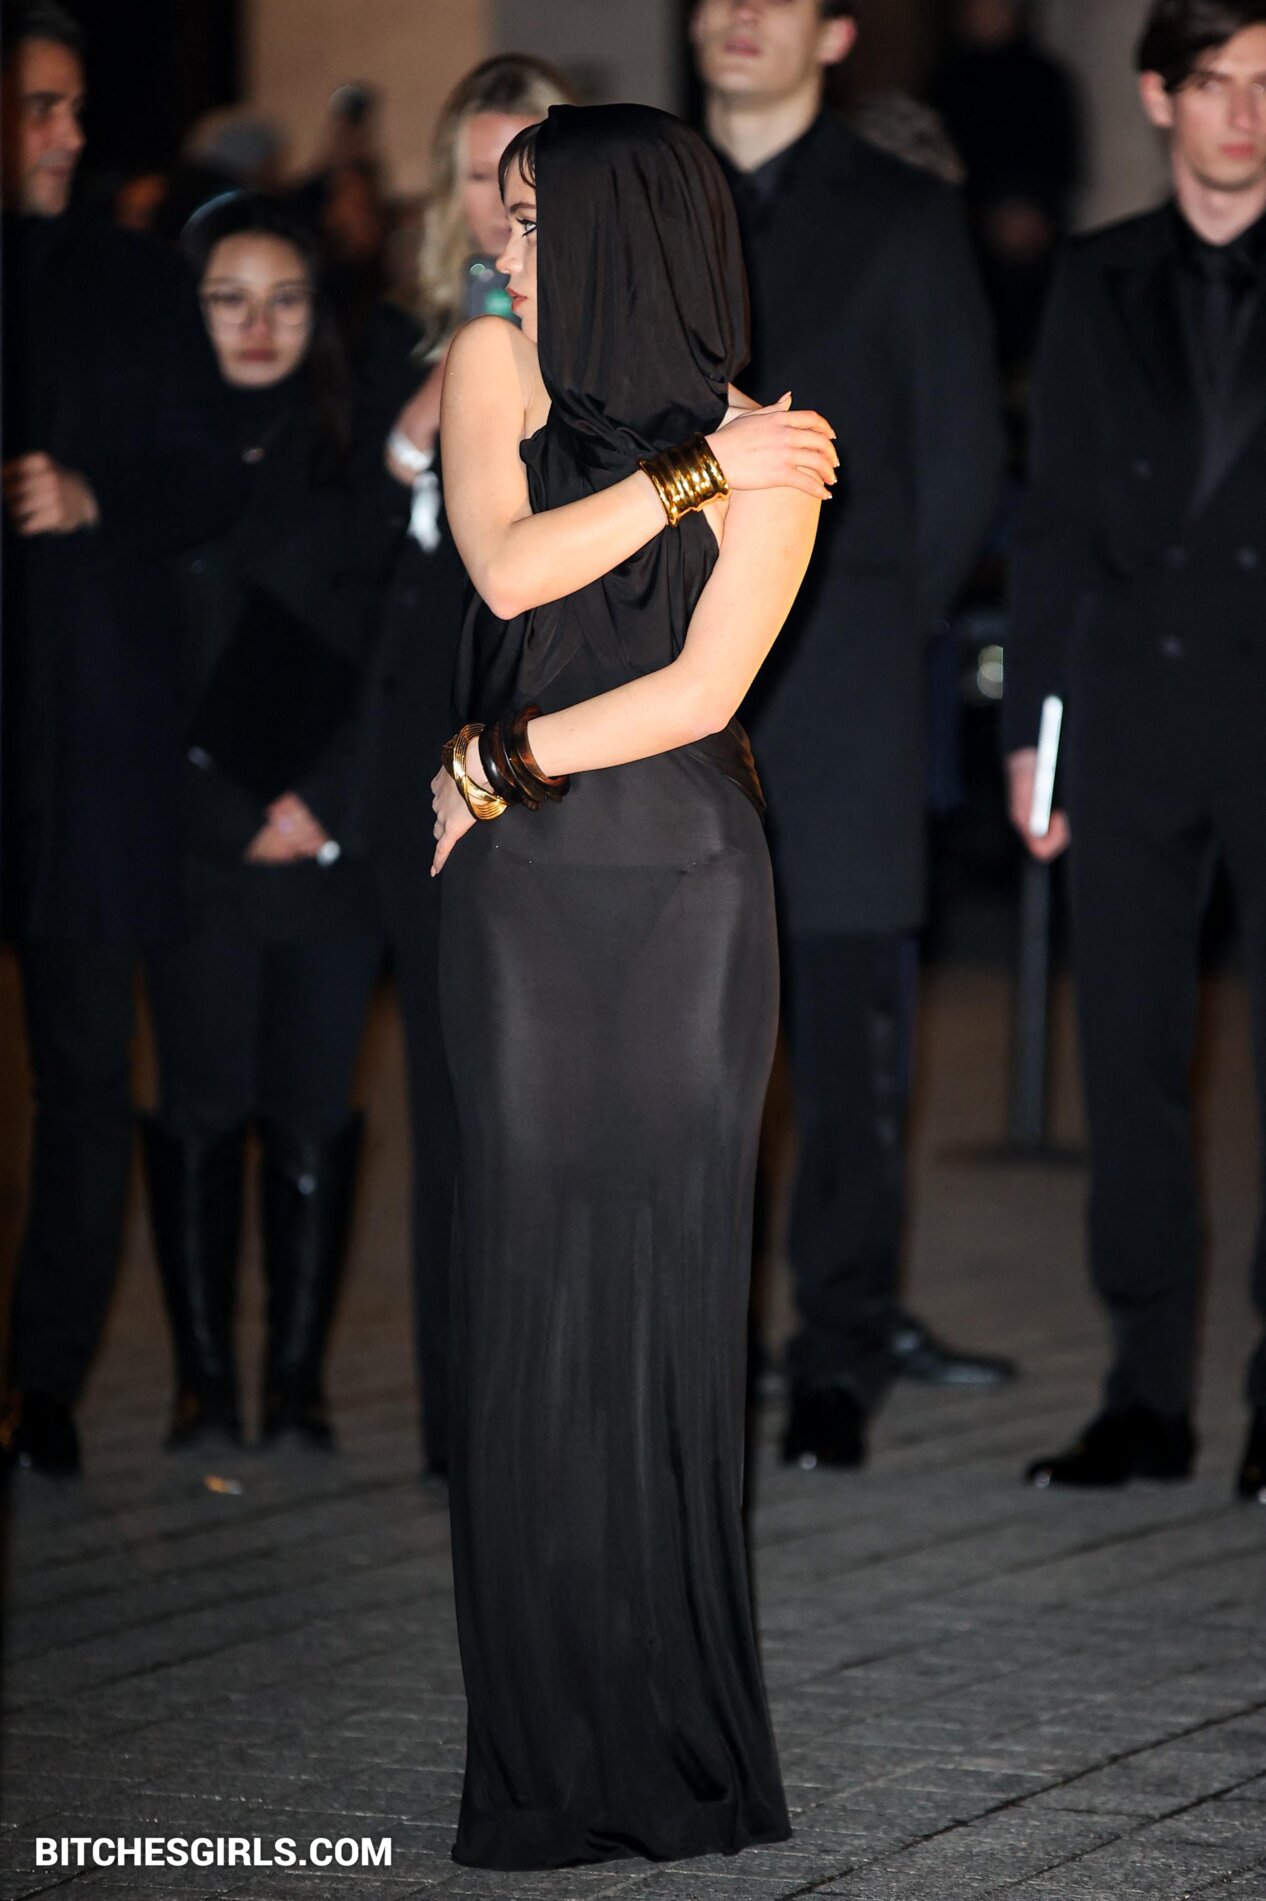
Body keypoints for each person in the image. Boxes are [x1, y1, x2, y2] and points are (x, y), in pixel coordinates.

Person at [430, 103, 836, 1867]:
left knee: (671, 1308)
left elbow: (703, 690)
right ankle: (538, 1766)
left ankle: (680, 1759)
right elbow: (509, 563)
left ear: (628, 230)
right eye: (508, 217)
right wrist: (688, 481)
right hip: (524, 903)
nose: (508, 248)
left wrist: (501, 760)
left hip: (686, 890)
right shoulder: (493, 366)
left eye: (538, 220)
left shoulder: (778, 440)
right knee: (528, 1296)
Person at [690, 0, 1011, 1475]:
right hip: (659, 678)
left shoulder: (901, 209)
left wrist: (868, 623)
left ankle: (837, 1348)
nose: (737, 16)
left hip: (843, 685)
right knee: (676, 1048)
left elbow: (960, 463)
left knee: (844, 1051)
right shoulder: (647, 194)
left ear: (832, 34)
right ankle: (693, 1348)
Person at [1007, 0, 1266, 1503]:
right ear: (1160, 96)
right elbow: (1048, 516)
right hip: (1128, 714)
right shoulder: (1095, 276)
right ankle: (1144, 1394)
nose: (1246, 113)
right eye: (1216, 82)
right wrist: (1028, 732)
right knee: (1128, 1064)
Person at [0, 1, 242, 1477]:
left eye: (76, 105)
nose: (69, 134)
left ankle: (44, 1384)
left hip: (87, 752)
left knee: (87, 1074)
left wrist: (96, 498)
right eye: (40, 106)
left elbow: (209, 474)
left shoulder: (135, 277)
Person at [134, 193, 387, 1457]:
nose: (257, 325)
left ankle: (295, 1383)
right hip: (201, 845)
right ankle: (202, 1382)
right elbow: (131, 675)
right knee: (200, 1108)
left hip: (331, 850)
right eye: (227, 299)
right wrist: (234, 808)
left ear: (317, 317)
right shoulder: (146, 469)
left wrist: (321, 805)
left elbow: (394, 648)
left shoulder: (359, 463)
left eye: (285, 300)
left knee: (310, 1112)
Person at [353, 54, 574, 1481]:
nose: (502, 207)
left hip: (556, 740)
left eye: (527, 174)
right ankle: (461, 1421)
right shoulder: (397, 331)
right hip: (418, 741)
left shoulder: (606, 337)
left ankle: (557, 1397)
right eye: (480, 174)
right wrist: (414, 427)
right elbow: (337, 546)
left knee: (552, 1083)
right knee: (446, 1087)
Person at [932, 0, 1083, 383]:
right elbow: (935, 169)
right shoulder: (947, 82)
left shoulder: (1046, 79)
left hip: (1037, 243)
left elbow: (1064, 163)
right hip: (966, 243)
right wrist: (982, 217)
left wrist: (1034, 214)